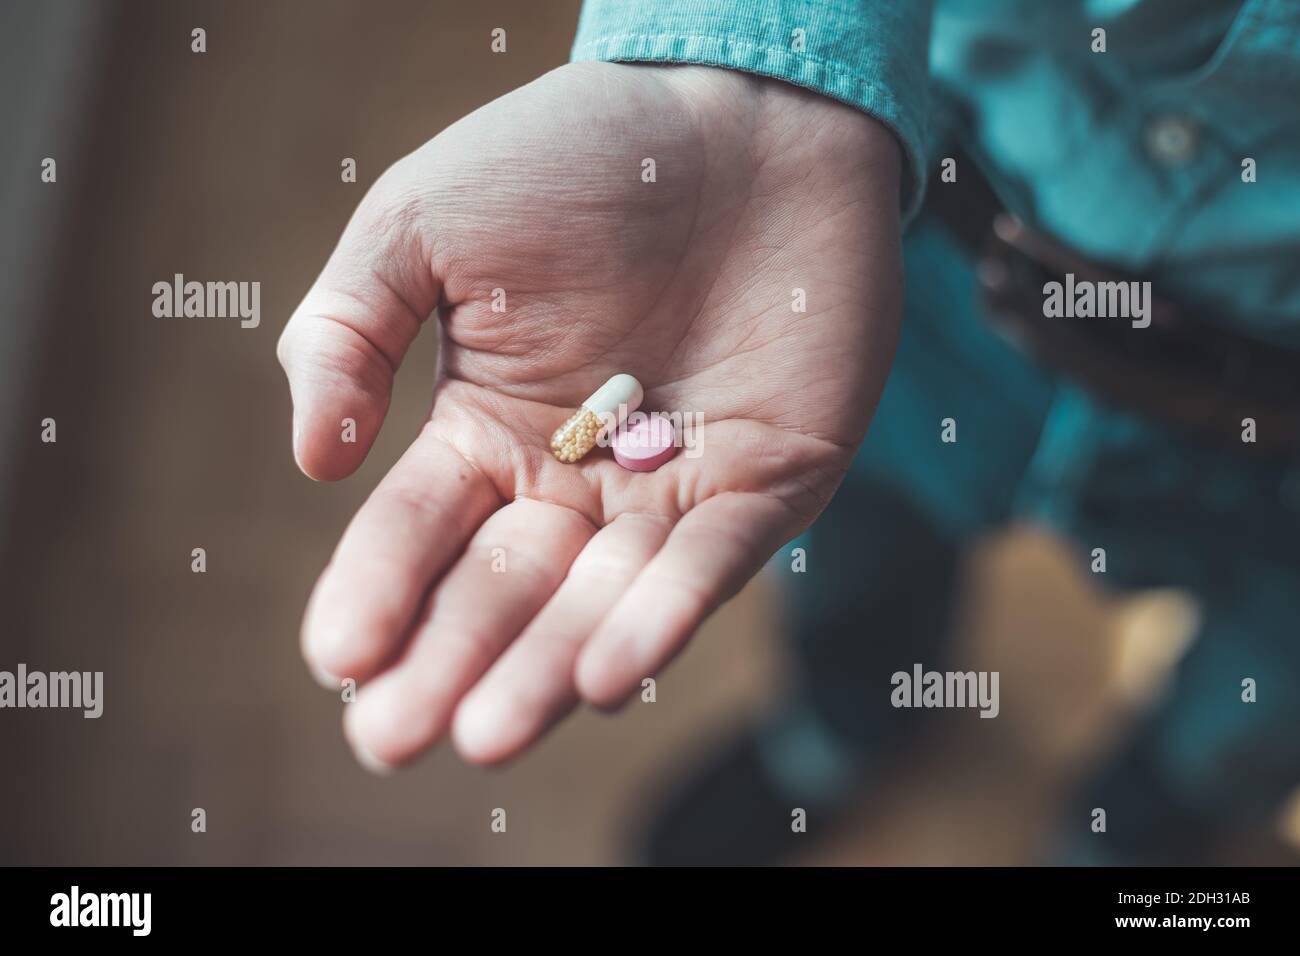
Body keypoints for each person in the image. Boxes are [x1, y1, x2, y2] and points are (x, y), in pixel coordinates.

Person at [276, 0, 1300, 864]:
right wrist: (739, 67)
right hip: (884, 243)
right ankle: (841, 730)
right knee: (845, 548)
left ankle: (1130, 841)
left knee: (1250, 714)